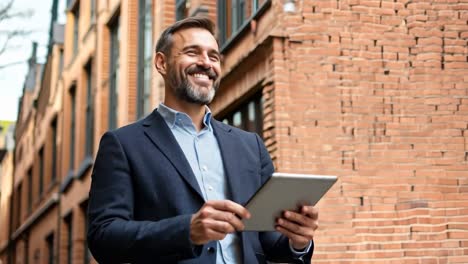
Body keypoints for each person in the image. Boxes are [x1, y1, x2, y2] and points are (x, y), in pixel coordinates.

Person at [87, 17, 319, 264]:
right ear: (161, 63)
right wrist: (186, 230)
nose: (206, 63)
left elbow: (267, 242)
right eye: (192, 52)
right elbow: (103, 238)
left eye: (214, 56)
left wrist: (298, 242)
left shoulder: (250, 145)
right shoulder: (123, 144)